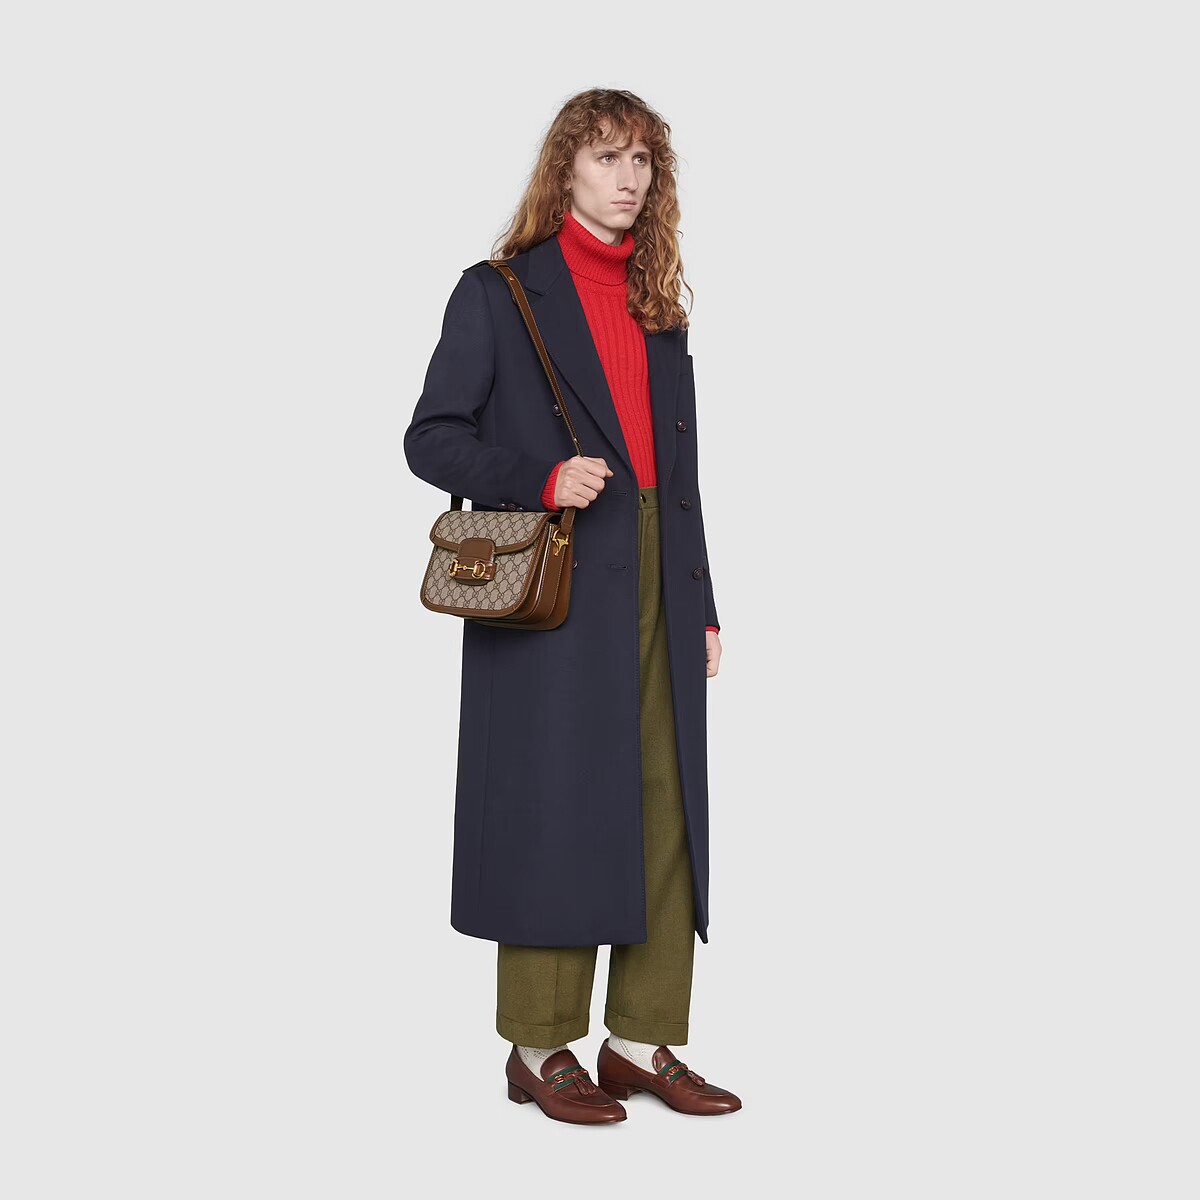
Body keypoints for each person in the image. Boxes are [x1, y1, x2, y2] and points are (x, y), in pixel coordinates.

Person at [404, 88, 740, 1123]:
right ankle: (540, 1045)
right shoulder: (498, 293)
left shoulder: (658, 304)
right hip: (554, 579)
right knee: (555, 806)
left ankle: (640, 1039)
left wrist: (704, 601)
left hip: (656, 569)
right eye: (606, 157)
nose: (629, 178)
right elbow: (431, 437)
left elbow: (679, 477)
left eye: (643, 160)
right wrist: (540, 476)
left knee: (665, 803)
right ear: (566, 170)